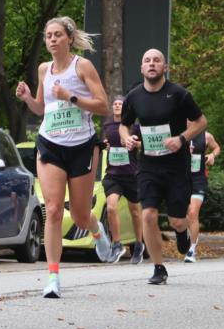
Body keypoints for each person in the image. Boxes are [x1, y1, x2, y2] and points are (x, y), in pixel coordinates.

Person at [16, 16, 111, 299]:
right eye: (48, 35)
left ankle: (96, 230)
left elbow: (103, 106)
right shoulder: (44, 69)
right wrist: (27, 99)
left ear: (69, 38)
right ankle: (53, 277)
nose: (53, 39)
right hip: (50, 144)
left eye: (58, 34)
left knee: (81, 214)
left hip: (80, 145)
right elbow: (42, 109)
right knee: (54, 210)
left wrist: (71, 97)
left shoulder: (82, 66)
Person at [120, 49, 207, 285]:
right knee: (148, 214)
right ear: (141, 68)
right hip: (148, 165)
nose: (151, 64)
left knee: (178, 220)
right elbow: (123, 125)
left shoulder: (179, 94)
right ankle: (158, 267)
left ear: (164, 67)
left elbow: (201, 122)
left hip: (176, 166)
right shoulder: (134, 96)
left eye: (156, 60)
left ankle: (181, 231)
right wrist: (127, 138)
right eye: (147, 60)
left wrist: (181, 139)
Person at [102, 95, 145, 265]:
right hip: (113, 175)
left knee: (135, 211)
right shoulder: (108, 126)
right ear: (112, 108)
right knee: (111, 208)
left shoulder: (134, 127)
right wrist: (106, 144)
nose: (118, 105)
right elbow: (108, 143)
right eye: (115, 104)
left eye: (121, 104)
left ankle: (139, 244)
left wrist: (136, 144)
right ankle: (117, 244)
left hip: (131, 174)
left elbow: (145, 144)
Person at [184, 129, 221, 262]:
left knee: (193, 212)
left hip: (198, 180)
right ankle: (189, 235)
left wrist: (212, 155)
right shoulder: (177, 134)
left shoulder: (205, 136)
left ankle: (192, 249)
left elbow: (217, 148)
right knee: (183, 215)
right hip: (181, 180)